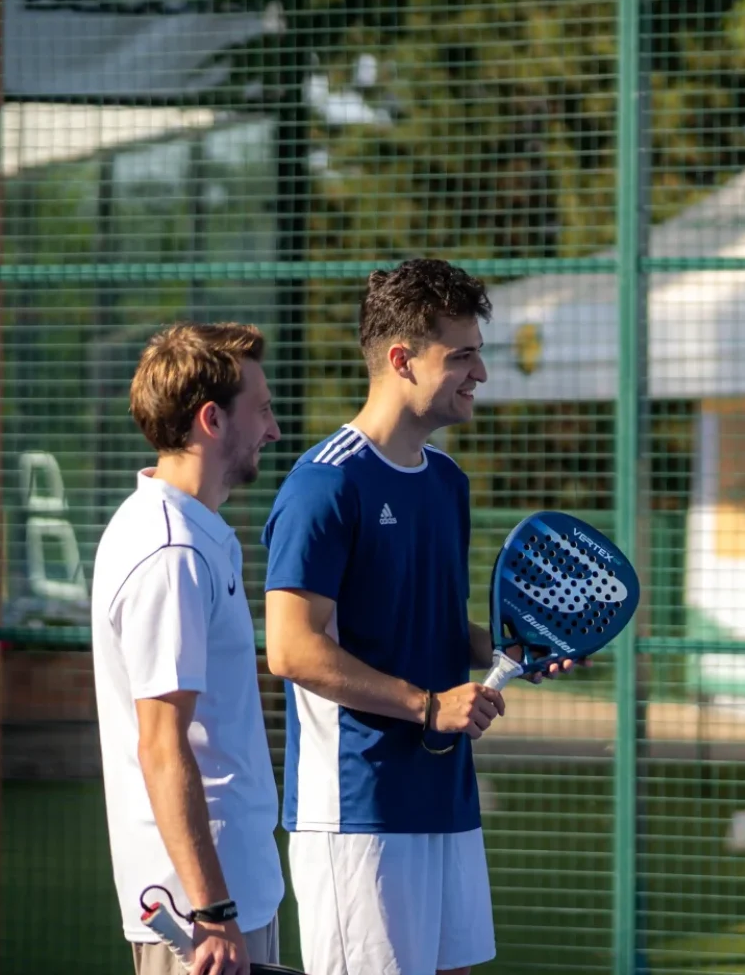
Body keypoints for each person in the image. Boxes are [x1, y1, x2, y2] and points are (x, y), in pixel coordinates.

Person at [261, 259, 575, 975]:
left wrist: (512, 647)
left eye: (479, 353)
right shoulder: (325, 482)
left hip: (446, 800)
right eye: (461, 356)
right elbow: (291, 648)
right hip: (360, 808)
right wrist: (428, 706)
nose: (481, 374)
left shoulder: (447, 482)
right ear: (401, 360)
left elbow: (431, 627)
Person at [91, 322, 285, 975]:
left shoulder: (192, 534)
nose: (274, 428)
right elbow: (161, 744)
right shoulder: (170, 551)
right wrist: (211, 911)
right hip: (203, 916)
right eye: (261, 410)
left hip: (232, 894)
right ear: (211, 419)